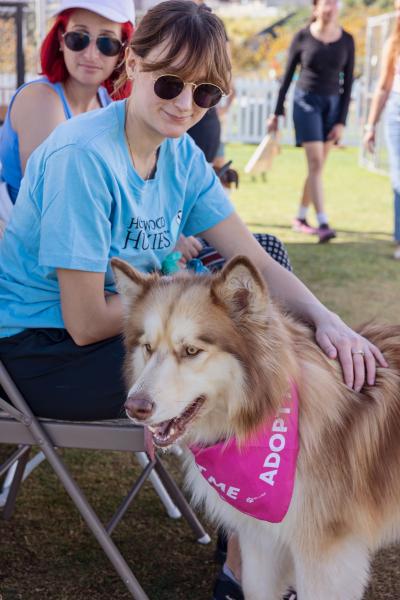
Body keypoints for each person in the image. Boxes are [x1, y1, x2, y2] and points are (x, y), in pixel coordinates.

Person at [0, 2, 386, 599]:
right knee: (237, 361)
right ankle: (249, 561)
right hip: (42, 351)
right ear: (134, 63)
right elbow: (82, 321)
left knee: (264, 263)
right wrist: (180, 294)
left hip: (132, 326)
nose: (185, 103)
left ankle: (253, 546)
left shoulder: (178, 153)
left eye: (204, 93)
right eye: (171, 82)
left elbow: (252, 261)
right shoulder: (84, 158)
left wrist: (329, 323)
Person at [0, 0, 134, 209]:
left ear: (123, 52)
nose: (90, 54)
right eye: (78, 38)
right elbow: (54, 203)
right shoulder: (40, 100)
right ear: (61, 40)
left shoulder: (109, 103)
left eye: (107, 43)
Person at [267, 0, 355, 243]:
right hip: (306, 103)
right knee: (316, 163)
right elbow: (286, 78)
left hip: (332, 106)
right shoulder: (303, 37)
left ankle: (301, 217)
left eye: (335, 3)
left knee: (317, 167)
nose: (331, 7)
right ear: (315, 8)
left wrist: (341, 121)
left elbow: (348, 84)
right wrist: (276, 112)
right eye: (326, 3)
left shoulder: (347, 40)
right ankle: (324, 222)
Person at [363, 0, 400, 261]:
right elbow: (384, 88)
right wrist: (370, 126)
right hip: (397, 113)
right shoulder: (394, 44)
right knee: (399, 178)